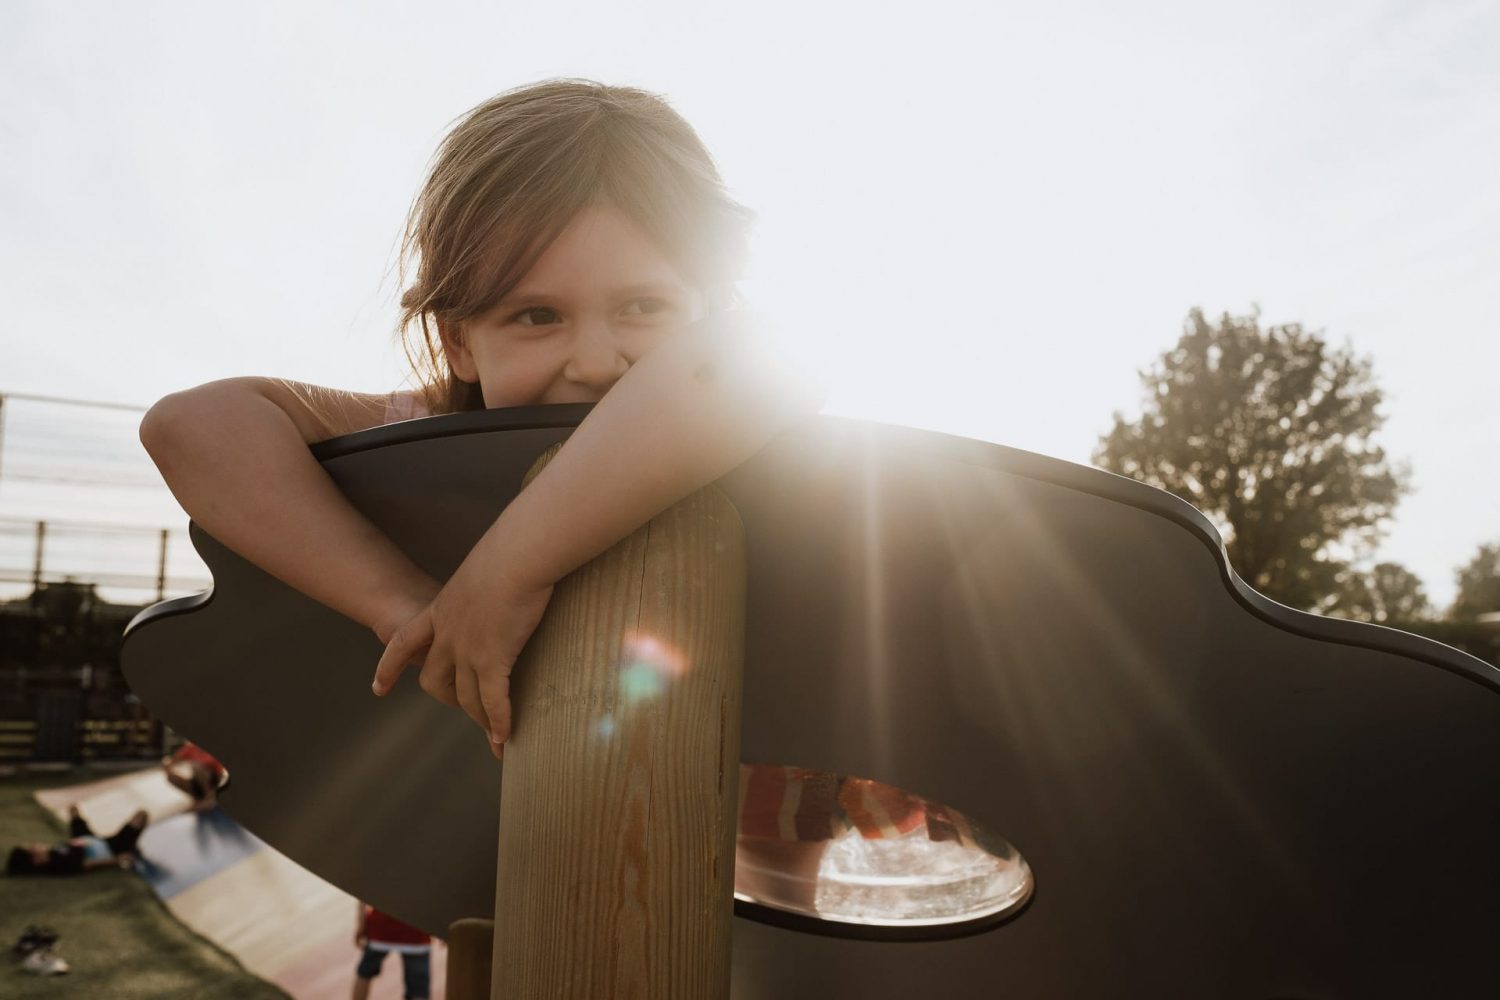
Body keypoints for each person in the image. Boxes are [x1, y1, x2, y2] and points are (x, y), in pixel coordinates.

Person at [140, 78, 821, 756]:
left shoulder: (746, 386)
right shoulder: (420, 430)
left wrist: (505, 569)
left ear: (712, 306)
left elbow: (761, 361)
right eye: (538, 315)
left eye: (643, 306)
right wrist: (418, 611)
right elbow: (192, 424)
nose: (595, 363)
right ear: (460, 343)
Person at [5, 804, 148, 876]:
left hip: (85, 840)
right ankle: (130, 841)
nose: (36, 844)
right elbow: (84, 864)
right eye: (33, 847)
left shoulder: (53, 853)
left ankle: (75, 815)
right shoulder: (58, 863)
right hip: (109, 847)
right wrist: (116, 860)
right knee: (141, 815)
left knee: (75, 818)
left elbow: (74, 846)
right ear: (37, 860)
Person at [351, 901, 431, 1000]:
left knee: (364, 974)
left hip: (380, 927)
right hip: (417, 929)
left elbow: (364, 894)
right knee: (419, 990)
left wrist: (361, 925)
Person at [161, 740, 228, 811]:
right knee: (173, 775)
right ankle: (197, 798)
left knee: (197, 767)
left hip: (213, 779)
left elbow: (219, 772)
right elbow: (174, 760)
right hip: (196, 779)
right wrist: (168, 765)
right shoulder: (192, 747)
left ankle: (208, 799)